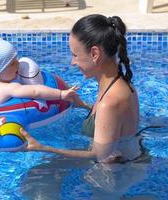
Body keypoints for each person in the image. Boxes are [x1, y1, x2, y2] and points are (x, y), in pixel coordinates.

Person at [21, 14, 145, 164]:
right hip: (129, 163)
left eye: (75, 55)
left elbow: (100, 156)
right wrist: (83, 105)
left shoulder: (110, 102)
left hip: (112, 179)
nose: (72, 62)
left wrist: (43, 148)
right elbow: (112, 121)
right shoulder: (120, 84)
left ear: (94, 54)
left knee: (35, 176)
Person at [0, 37, 86, 109]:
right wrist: (61, 94)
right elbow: (36, 91)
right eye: (12, 63)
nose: (18, 64)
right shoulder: (8, 88)